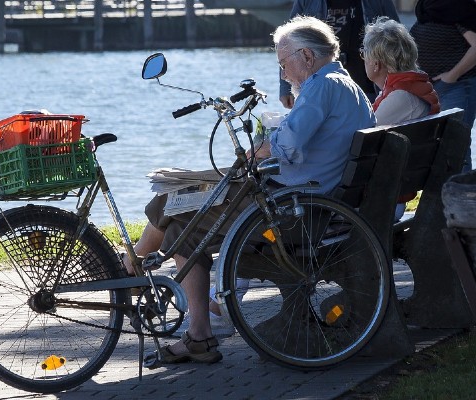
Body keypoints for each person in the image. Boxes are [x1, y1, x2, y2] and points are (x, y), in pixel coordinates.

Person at [136, 15, 375, 366]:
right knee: (178, 219)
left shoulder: (321, 87)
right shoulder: (346, 84)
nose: (282, 73)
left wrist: (259, 147)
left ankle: (134, 271)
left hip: (295, 213)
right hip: (322, 203)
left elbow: (289, 145)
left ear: (307, 57)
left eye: (283, 62)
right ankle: (195, 331)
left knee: (176, 211)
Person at [361, 16, 440, 220]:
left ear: (376, 64)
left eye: (364, 54)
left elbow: (358, 138)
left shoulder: (401, 98)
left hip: (383, 199)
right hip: (396, 189)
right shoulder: (407, 89)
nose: (363, 60)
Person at [280, 0, 399, 109]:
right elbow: (288, 40)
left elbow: (395, 37)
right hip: (322, 87)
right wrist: (286, 88)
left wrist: (396, 85)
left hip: (368, 83)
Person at [409, 0, 476, 170]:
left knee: (456, 146)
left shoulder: (457, 7)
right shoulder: (428, 6)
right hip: (434, 87)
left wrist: (452, 76)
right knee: (443, 147)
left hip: (458, 86)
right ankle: (447, 192)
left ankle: (464, 194)